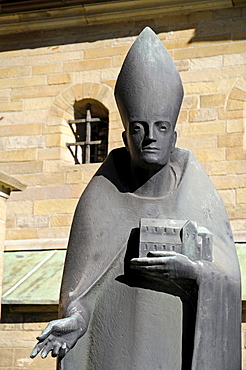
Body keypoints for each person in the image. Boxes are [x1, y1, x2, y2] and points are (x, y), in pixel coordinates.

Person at [31, 27, 241, 369]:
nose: (149, 138)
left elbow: (229, 279)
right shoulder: (101, 196)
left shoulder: (200, 196)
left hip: (176, 347)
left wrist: (194, 273)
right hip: (114, 353)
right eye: (140, 127)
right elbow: (80, 292)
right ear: (126, 135)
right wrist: (75, 319)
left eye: (161, 127)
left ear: (174, 136)